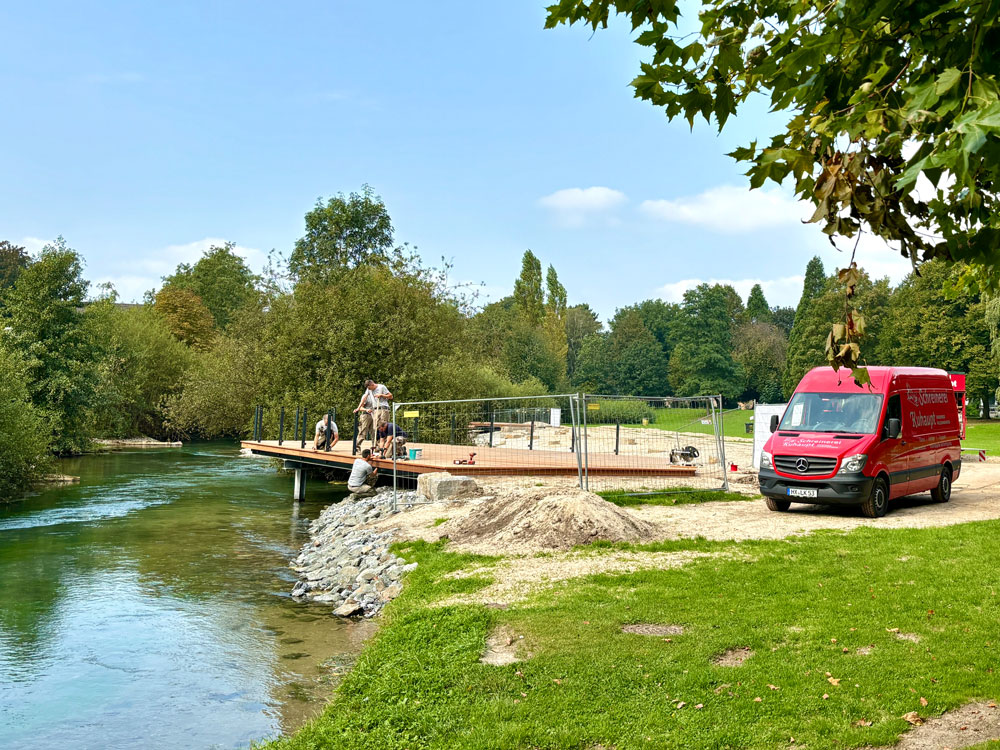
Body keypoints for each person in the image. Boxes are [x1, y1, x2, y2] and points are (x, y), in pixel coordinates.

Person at [353, 379, 392, 449]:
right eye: (368, 389)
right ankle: (377, 446)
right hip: (374, 411)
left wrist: (381, 395)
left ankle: (382, 446)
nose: (369, 390)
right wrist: (358, 408)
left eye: (369, 388)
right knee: (375, 428)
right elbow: (364, 398)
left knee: (382, 427)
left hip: (383, 409)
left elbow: (391, 396)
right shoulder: (369, 391)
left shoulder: (381, 387)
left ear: (372, 384)